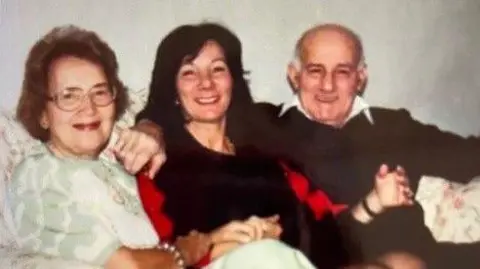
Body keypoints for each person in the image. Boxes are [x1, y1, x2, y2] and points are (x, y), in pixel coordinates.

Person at [8, 25, 320, 269]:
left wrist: (231, 239)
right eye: (69, 96)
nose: (88, 108)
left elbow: (169, 250)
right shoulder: (41, 173)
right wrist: (208, 242)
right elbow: (131, 264)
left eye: (99, 93)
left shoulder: (117, 168)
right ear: (42, 113)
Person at [135, 22, 415, 269]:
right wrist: (219, 245)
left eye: (218, 69)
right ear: (172, 88)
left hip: (291, 262)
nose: (206, 84)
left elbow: (324, 233)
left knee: (402, 264)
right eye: (189, 73)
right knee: (266, 255)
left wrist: (374, 202)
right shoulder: (159, 162)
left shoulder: (267, 154)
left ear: (233, 80)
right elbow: (162, 255)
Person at [263, 23, 480, 268]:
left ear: (360, 78)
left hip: (420, 258)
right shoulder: (267, 128)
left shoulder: (393, 126)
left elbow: (467, 155)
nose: (327, 85)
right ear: (294, 75)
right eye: (315, 71)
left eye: (342, 72)